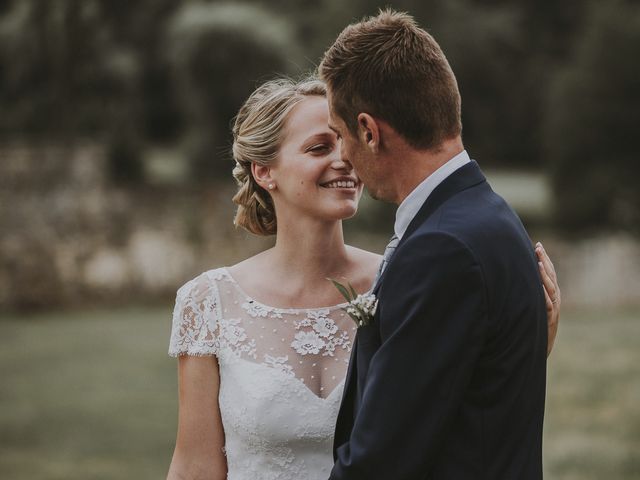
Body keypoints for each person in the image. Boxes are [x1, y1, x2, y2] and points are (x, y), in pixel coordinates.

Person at [165, 73, 560, 479]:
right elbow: (195, 467)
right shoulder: (209, 302)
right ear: (265, 172)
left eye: (345, 139)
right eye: (320, 146)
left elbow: (446, 412)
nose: (344, 159)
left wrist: (524, 347)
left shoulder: (410, 278)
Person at [317, 9, 555, 479]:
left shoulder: (441, 249)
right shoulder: (491, 215)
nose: (343, 155)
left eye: (340, 135)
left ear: (369, 130)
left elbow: (382, 462)